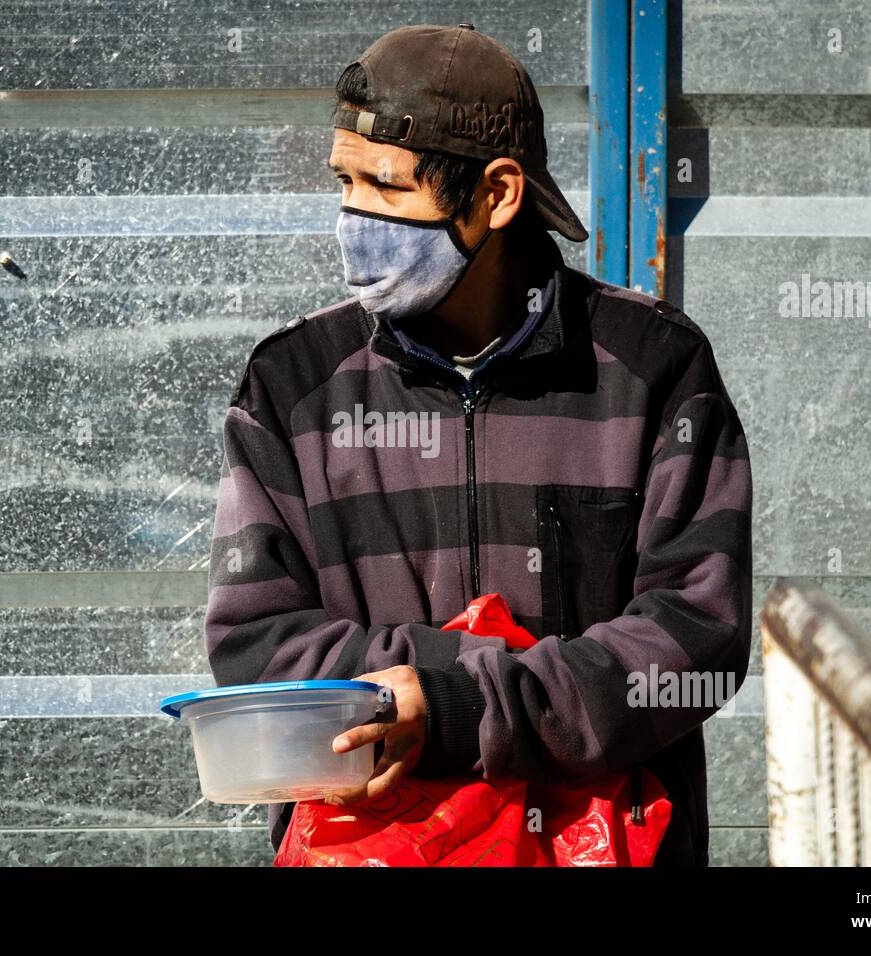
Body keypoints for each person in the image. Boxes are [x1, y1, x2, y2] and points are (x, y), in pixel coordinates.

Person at [203, 23, 752, 866]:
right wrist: (404, 707)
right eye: (343, 183)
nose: (353, 219)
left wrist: (460, 707)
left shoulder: (652, 368)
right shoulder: (294, 386)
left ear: (495, 195)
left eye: (385, 188)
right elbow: (255, 643)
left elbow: (696, 637)